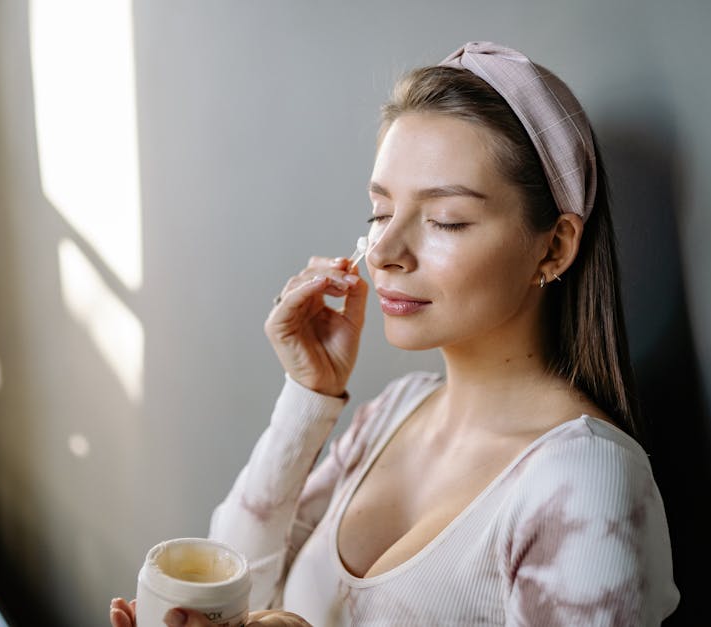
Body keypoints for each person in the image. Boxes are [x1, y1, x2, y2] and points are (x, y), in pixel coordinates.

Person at [110, 41, 680, 627]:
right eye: (380, 214)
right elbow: (235, 590)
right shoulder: (395, 410)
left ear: (555, 246)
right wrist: (308, 396)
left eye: (445, 220)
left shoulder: (585, 480)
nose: (383, 252)